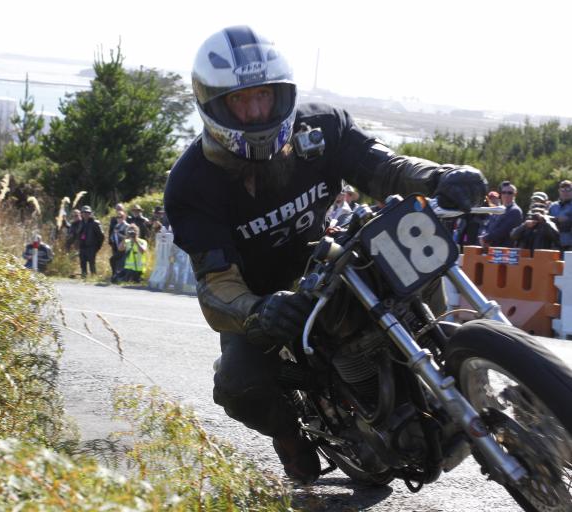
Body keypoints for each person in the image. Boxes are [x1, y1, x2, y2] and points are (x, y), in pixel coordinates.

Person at [164, 25, 487, 484]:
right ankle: (290, 436)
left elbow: (385, 166)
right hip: (263, 298)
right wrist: (257, 311)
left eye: (265, 96)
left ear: (284, 93)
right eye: (241, 101)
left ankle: (438, 355)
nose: (257, 111)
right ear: (214, 105)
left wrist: (438, 176)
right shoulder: (191, 183)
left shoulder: (322, 125)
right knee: (238, 384)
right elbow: (215, 283)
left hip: (328, 255)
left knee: (409, 248)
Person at [479, 181, 523, 248]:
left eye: (510, 193)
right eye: (504, 192)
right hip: (490, 248)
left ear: (515, 194)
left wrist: (486, 239)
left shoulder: (515, 211)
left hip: (505, 252)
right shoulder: (498, 209)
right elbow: (486, 225)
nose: (506, 195)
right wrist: (482, 236)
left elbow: (503, 231)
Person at [78, 205, 105, 277]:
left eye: (87, 213)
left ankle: (93, 277)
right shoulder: (81, 223)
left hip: (91, 246)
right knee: (82, 263)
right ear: (81, 214)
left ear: (90, 214)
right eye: (84, 212)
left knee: (91, 263)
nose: (86, 214)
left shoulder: (95, 223)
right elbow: (78, 234)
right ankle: (84, 276)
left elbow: (101, 236)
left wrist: (97, 246)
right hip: (82, 246)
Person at [549, 180, 572, 251]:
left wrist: (568, 220)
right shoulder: (553, 206)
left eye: (568, 190)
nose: (565, 192)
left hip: (570, 245)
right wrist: (555, 219)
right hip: (554, 244)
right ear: (559, 191)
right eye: (563, 190)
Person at [109, 210, 130, 282]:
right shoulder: (116, 226)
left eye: (120, 217)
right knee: (113, 260)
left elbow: (128, 237)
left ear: (124, 217)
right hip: (117, 248)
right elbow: (113, 236)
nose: (119, 218)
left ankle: (119, 278)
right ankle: (114, 275)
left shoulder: (127, 226)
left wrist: (119, 234)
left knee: (120, 263)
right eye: (117, 217)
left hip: (125, 249)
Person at [108, 203, 126, 275]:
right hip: (115, 243)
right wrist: (110, 241)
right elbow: (111, 230)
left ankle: (120, 276)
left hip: (123, 245)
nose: (118, 210)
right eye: (117, 209)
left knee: (121, 261)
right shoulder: (113, 220)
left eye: (120, 208)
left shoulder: (127, 220)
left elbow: (128, 234)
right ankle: (115, 275)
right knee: (114, 260)